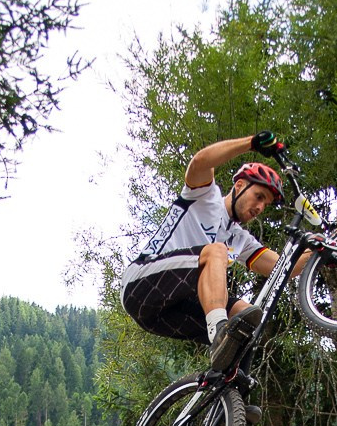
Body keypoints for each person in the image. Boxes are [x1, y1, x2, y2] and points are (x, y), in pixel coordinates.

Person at [120, 131, 286, 372]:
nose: (260, 207)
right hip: (141, 285)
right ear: (239, 185)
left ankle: (228, 398)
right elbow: (200, 162)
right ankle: (218, 330)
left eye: (265, 204)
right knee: (216, 252)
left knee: (246, 317)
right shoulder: (206, 196)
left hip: (167, 312)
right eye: (258, 196)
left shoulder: (240, 239)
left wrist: (322, 253)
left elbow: (282, 268)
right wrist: (250, 143)